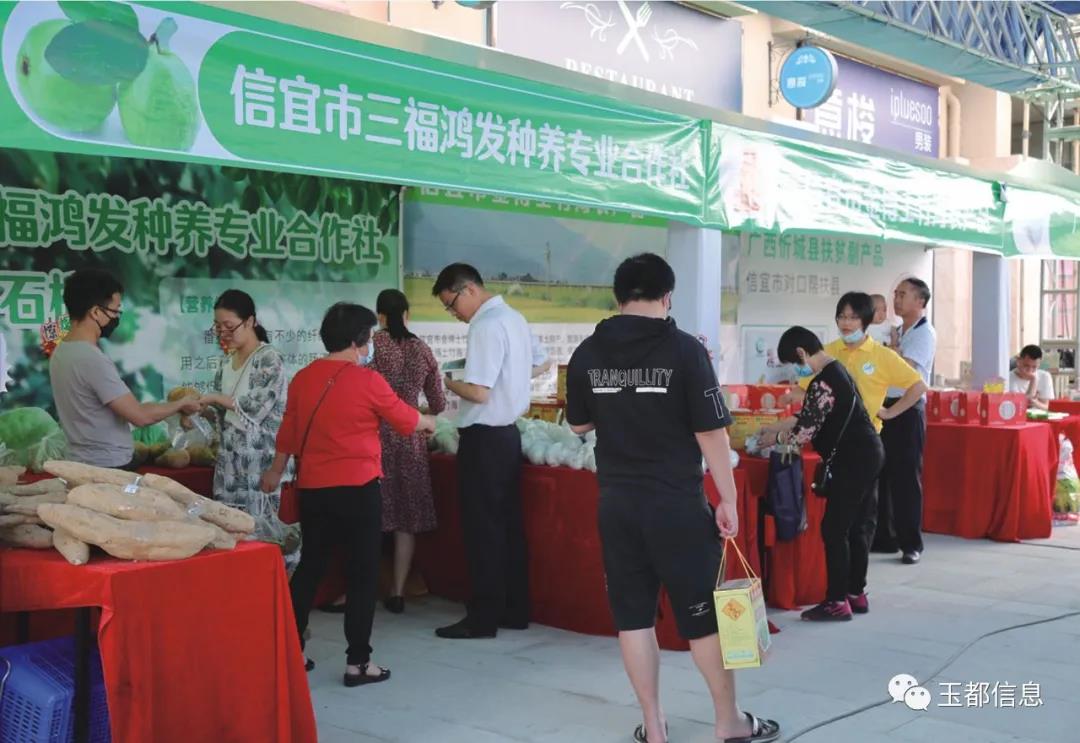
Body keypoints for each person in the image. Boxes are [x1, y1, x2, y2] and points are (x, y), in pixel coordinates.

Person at [566, 254, 780, 743]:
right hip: (676, 505)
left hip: (617, 505)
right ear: (667, 296)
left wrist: (618, 403)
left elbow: (578, 424)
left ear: (618, 297)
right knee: (702, 620)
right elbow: (711, 433)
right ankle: (728, 723)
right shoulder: (684, 350)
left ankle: (655, 726)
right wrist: (727, 499)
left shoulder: (588, 352)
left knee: (633, 619)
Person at [260, 302, 436, 687]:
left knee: (311, 567)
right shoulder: (367, 381)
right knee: (362, 575)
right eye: (369, 338)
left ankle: (291, 652)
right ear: (358, 341)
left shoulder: (303, 378)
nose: (370, 345)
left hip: (314, 490)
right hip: (358, 490)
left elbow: (288, 432)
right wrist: (428, 422)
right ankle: (358, 663)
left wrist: (275, 471)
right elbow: (405, 419)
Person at [758, 327, 887, 623]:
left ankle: (836, 601)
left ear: (801, 353)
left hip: (852, 460)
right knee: (858, 526)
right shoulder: (837, 371)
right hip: (870, 453)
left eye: (794, 363)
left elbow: (804, 431)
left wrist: (773, 439)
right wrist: (775, 428)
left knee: (834, 529)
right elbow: (810, 417)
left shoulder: (822, 382)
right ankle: (855, 593)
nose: (796, 371)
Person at [432, 263, 533, 640]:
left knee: (482, 530)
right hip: (507, 435)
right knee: (508, 527)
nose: (453, 313)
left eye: (452, 304)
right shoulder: (515, 318)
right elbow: (540, 363)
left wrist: (447, 381)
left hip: (484, 438)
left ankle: (483, 616)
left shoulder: (486, 325)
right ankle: (514, 609)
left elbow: (478, 391)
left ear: (470, 289)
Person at [49, 268, 201, 468]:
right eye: (115, 310)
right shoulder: (91, 359)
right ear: (95, 312)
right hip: (107, 465)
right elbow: (140, 416)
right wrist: (180, 404)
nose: (117, 317)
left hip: (80, 461)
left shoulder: (61, 351)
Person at [200, 290, 297, 568]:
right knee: (231, 531)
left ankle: (274, 589)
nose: (223, 333)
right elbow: (223, 416)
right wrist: (199, 410)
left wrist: (215, 398)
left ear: (250, 321)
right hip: (230, 464)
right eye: (218, 326)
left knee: (263, 534)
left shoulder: (268, 358)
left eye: (229, 326)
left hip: (261, 463)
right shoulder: (225, 363)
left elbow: (256, 407)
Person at [371, 289, 447, 613]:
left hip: (375, 437)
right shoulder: (422, 349)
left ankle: (361, 591)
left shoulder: (373, 345)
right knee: (406, 518)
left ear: (380, 316)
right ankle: (398, 591)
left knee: (371, 516)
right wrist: (416, 412)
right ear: (407, 315)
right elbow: (439, 403)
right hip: (411, 436)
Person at [874, 279, 936, 562]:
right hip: (886, 405)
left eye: (903, 295)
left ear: (920, 302)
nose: (897, 300)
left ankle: (912, 544)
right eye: (896, 294)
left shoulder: (924, 333)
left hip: (909, 408)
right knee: (882, 474)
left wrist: (889, 353)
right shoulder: (898, 331)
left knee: (906, 478)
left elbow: (906, 368)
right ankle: (886, 537)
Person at [1009, 345, 1054, 411]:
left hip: (1038, 416)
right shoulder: (1008, 378)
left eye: (1034, 367)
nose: (1030, 370)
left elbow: (1046, 407)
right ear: (1018, 361)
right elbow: (1019, 407)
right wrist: (1033, 379)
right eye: (1026, 365)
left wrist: (1035, 403)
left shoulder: (1045, 376)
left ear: (1039, 364)